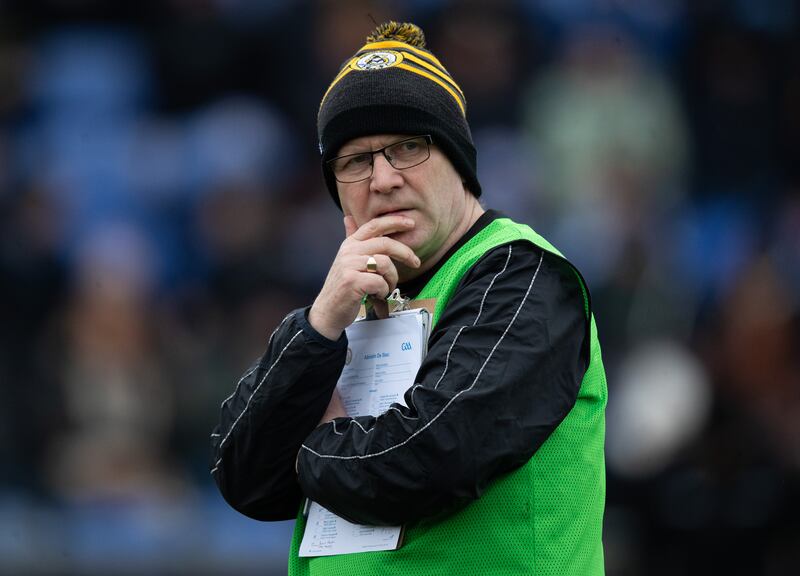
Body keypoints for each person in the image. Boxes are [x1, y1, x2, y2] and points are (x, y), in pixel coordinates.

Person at [211, 21, 607, 575]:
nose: (383, 179)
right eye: (355, 160)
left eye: (407, 147)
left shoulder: (523, 275)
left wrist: (307, 444)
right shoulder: (345, 301)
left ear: (458, 160)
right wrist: (320, 325)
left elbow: (429, 457)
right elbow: (244, 477)